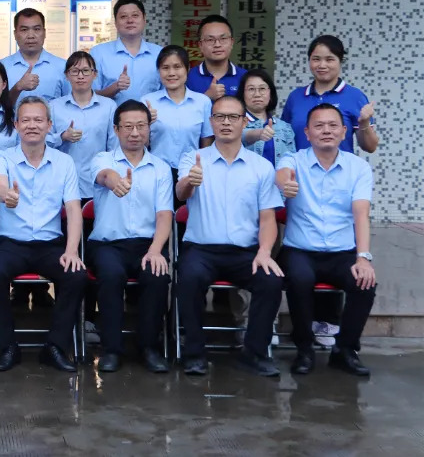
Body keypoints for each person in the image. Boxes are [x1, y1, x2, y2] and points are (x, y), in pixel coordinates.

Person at [175, 95, 284, 377]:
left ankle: (255, 353)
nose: (226, 122)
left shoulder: (261, 167)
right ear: (211, 122)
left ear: (244, 122)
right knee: (189, 278)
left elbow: (268, 218)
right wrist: (190, 182)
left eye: (233, 117)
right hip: (201, 249)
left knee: (270, 281)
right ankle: (194, 354)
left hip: (245, 252)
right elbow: (181, 194)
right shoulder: (194, 158)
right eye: (219, 117)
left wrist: (264, 252)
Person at [0, 96, 87, 373]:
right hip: (11, 244)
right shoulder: (2, 157)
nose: (32, 125)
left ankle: (55, 347)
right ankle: (7, 347)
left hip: (50, 245)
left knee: (76, 275)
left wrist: (71, 251)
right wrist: (7, 195)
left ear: (49, 125)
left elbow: (73, 209)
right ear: (16, 125)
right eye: (26, 120)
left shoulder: (64, 162)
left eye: (38, 120)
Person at [276, 103, 377, 377]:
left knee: (364, 282)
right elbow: (282, 175)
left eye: (333, 125)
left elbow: (361, 214)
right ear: (307, 133)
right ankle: (304, 349)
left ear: (344, 132)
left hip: (342, 252)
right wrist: (285, 185)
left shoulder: (358, 168)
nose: (326, 131)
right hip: (299, 250)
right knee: (299, 280)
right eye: (319, 126)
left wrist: (363, 257)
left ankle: (345, 350)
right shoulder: (294, 160)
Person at [87, 99, 172, 374]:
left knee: (156, 275)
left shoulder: (161, 168)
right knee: (111, 275)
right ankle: (111, 349)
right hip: (107, 244)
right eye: (128, 127)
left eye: (141, 126)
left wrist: (156, 250)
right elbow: (105, 176)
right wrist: (116, 182)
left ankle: (149, 348)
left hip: (147, 244)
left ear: (149, 128)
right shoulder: (103, 159)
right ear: (116, 129)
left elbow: (164, 215)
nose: (135, 133)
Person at [282, 35, 377, 154]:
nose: (322, 65)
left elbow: (370, 147)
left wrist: (364, 123)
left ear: (340, 61)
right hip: (300, 166)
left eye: (329, 59)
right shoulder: (295, 97)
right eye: (316, 59)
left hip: (340, 166)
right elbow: (283, 140)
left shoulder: (355, 96)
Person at [48, 51, 117, 201]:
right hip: (61, 185)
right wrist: (62, 137)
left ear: (95, 74)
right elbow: (42, 143)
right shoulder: (53, 107)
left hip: (98, 185)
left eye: (86, 71)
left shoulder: (109, 107)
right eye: (74, 71)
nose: (80, 76)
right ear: (67, 75)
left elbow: (114, 147)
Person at [142, 46, 214, 180]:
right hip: (156, 172)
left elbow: (207, 141)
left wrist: (202, 167)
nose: (171, 73)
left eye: (177, 67)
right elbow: (140, 146)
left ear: (187, 69)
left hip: (191, 172)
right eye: (165, 68)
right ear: (158, 71)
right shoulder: (147, 101)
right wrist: (145, 124)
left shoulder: (202, 102)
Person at [91, 0, 163, 104]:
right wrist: (115, 87)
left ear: (144, 20)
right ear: (115, 23)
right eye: (123, 16)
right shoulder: (98, 53)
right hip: (112, 115)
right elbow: (89, 96)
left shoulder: (159, 53)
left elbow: (167, 93)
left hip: (151, 115)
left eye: (135, 15)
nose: (130, 20)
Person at [1, 8, 69, 106]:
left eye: (36, 29)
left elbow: (70, 105)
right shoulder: (1, 67)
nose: (31, 36)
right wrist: (17, 88)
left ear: (44, 33)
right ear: (15, 34)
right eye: (24, 30)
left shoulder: (63, 66)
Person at [238, 68, 295, 166]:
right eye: (251, 89)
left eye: (262, 89)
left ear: (270, 93)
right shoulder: (235, 123)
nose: (257, 94)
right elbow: (238, 136)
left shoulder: (284, 127)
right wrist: (258, 134)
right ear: (242, 94)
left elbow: (292, 161)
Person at [185, 15, 247, 100]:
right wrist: (206, 97)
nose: (217, 44)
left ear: (232, 42)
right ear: (200, 45)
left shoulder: (245, 77)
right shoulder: (187, 78)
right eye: (210, 40)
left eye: (223, 38)